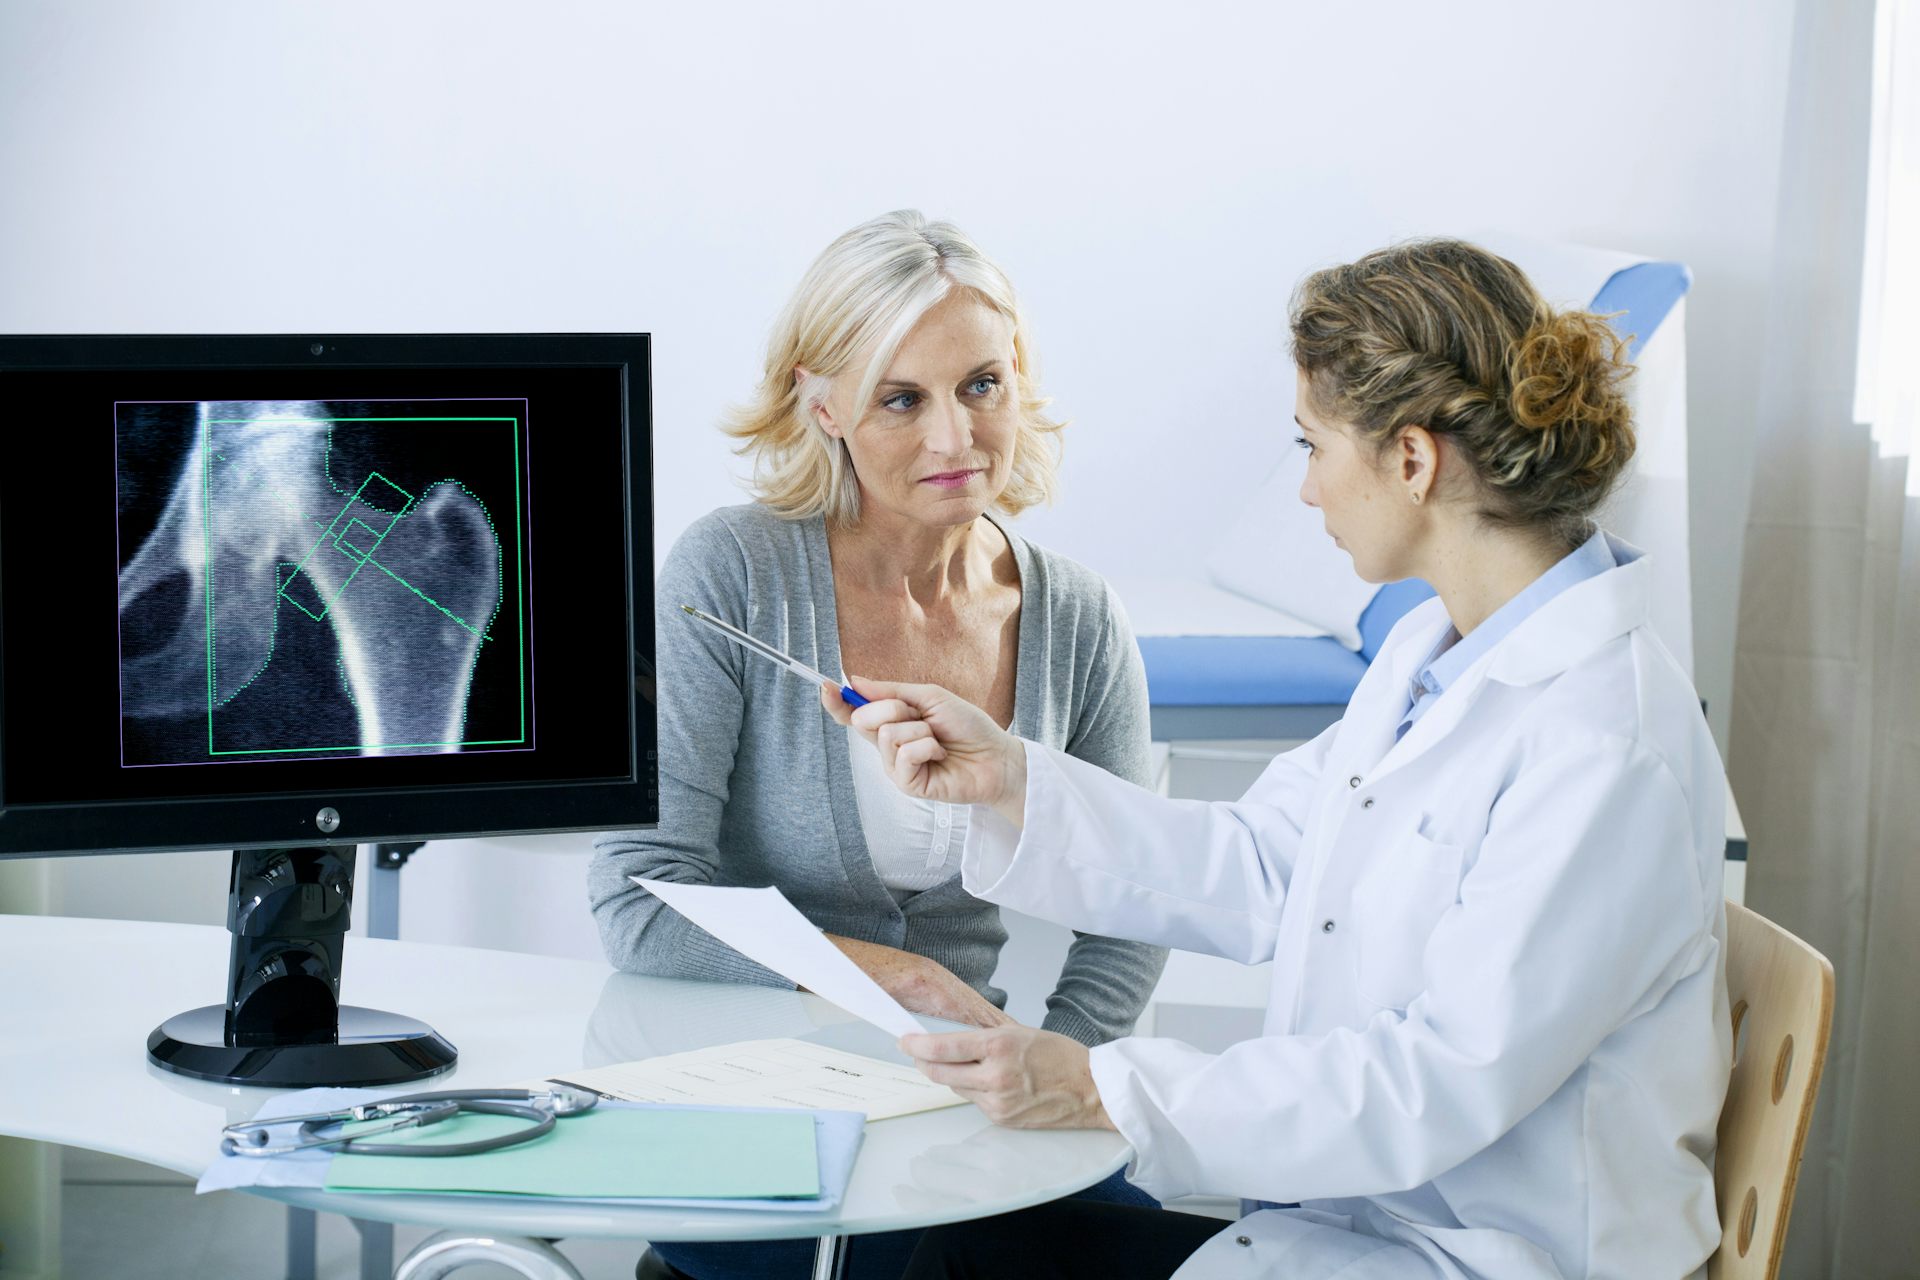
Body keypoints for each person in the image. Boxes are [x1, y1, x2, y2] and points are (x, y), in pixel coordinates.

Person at [827, 239, 1732, 1280]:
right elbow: (1264, 859)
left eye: (1312, 446)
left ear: (1410, 460)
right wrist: (1009, 779)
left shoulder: (1604, 742)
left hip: (1492, 1257)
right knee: (955, 1243)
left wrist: (1100, 1086)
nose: (1306, 490)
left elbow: (1433, 1080)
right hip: (1351, 1231)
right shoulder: (1430, 654)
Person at [589, 210, 1167, 1280]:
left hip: (972, 1108)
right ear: (823, 404)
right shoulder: (734, 575)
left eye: (981, 385)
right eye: (903, 399)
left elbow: (1142, 900)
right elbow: (638, 897)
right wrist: (888, 975)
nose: (955, 438)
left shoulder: (1079, 616)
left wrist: (1056, 1070)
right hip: (754, 1097)